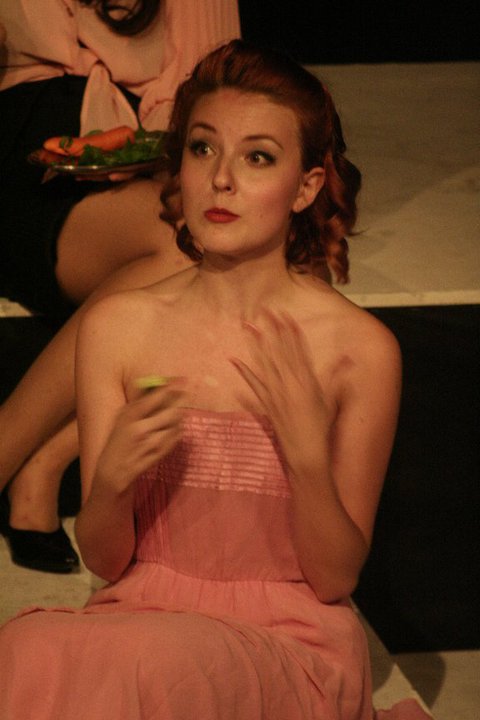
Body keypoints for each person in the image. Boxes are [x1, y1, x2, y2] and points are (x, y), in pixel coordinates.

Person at [0, 40, 431, 719]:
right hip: (144, 617)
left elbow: (334, 577)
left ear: (307, 187)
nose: (221, 178)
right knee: (24, 650)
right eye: (203, 149)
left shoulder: (359, 350)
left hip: (289, 642)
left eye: (258, 157)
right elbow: (107, 562)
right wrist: (111, 482)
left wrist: (306, 458)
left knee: (150, 665)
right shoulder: (118, 327)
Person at [0, 0, 240, 571]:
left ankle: (40, 464)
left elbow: (215, 86)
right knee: (190, 249)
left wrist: (163, 155)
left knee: (206, 247)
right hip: (17, 160)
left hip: (145, 157)